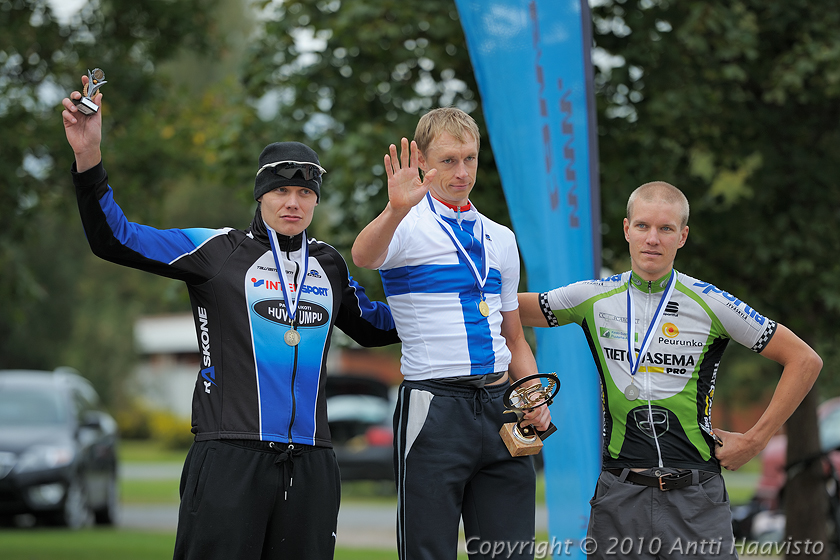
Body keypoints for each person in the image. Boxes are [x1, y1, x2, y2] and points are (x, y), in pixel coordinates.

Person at [61, 75, 399, 560]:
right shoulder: (216, 250)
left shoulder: (329, 265)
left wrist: (467, 305)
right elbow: (115, 237)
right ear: (260, 195)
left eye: (304, 193)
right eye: (281, 190)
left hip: (312, 464)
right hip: (228, 456)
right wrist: (88, 160)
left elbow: (377, 326)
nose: (292, 202)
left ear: (316, 200)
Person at [518, 181, 823, 559]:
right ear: (627, 229)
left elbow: (805, 360)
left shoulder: (711, 302)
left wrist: (756, 440)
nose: (652, 239)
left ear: (683, 236)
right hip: (621, 496)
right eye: (643, 226)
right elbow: (504, 311)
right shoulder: (591, 296)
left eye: (665, 229)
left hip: (696, 499)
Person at [352, 107, 551, 560]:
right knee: (428, 551)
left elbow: (514, 338)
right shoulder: (406, 224)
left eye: (470, 159)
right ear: (422, 160)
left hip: (501, 403)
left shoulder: (499, 237)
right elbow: (364, 256)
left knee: (510, 551)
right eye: (448, 161)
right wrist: (394, 209)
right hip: (435, 407)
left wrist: (533, 394)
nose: (462, 173)